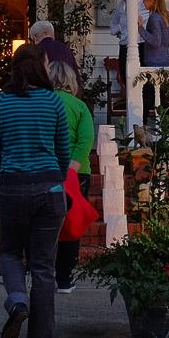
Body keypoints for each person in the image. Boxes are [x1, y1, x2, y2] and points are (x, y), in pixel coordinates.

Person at [0, 43, 70, 338]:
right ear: (39, 68)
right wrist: (54, 180)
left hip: (11, 188)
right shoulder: (54, 103)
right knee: (44, 268)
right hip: (49, 190)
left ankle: (18, 301)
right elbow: (64, 151)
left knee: (9, 253)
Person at [47, 59, 94, 294]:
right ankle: (64, 278)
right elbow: (86, 139)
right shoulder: (79, 107)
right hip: (76, 173)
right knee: (70, 225)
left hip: (46, 170)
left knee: (44, 225)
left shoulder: (44, 104)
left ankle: (43, 273)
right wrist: (73, 166)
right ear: (71, 81)